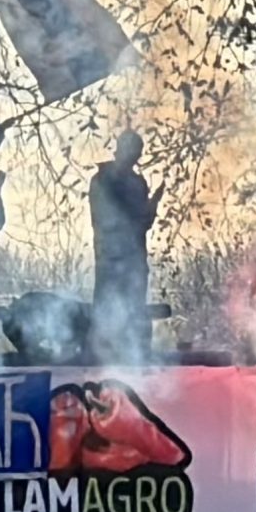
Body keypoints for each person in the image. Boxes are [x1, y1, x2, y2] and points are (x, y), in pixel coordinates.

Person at [88, 131, 158, 363]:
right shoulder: (102, 180)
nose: (135, 158)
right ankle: (104, 359)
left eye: (138, 154)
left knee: (134, 314)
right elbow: (108, 220)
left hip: (134, 263)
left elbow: (142, 225)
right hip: (111, 261)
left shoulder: (138, 183)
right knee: (108, 315)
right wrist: (138, 218)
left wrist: (152, 205)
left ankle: (134, 359)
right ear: (120, 149)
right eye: (132, 152)